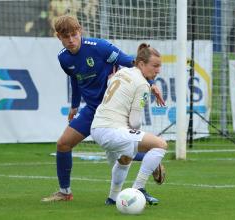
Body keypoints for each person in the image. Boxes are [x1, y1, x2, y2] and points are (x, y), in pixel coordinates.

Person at [41, 15, 165, 202]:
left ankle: (150, 158)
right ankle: (65, 192)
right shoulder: (64, 58)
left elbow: (131, 61)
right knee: (63, 144)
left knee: (122, 154)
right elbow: (75, 79)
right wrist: (75, 105)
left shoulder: (100, 47)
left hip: (113, 109)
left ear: (80, 31)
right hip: (92, 110)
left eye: (74, 35)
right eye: (66, 37)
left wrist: (151, 82)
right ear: (59, 37)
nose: (71, 40)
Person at [91, 43, 167, 205]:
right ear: (141, 64)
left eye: (160, 66)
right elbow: (134, 121)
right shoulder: (142, 84)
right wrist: (139, 137)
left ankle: (112, 198)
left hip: (97, 128)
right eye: (155, 66)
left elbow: (111, 85)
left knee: (126, 158)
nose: (158, 70)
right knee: (160, 144)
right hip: (112, 130)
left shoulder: (122, 72)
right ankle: (138, 189)